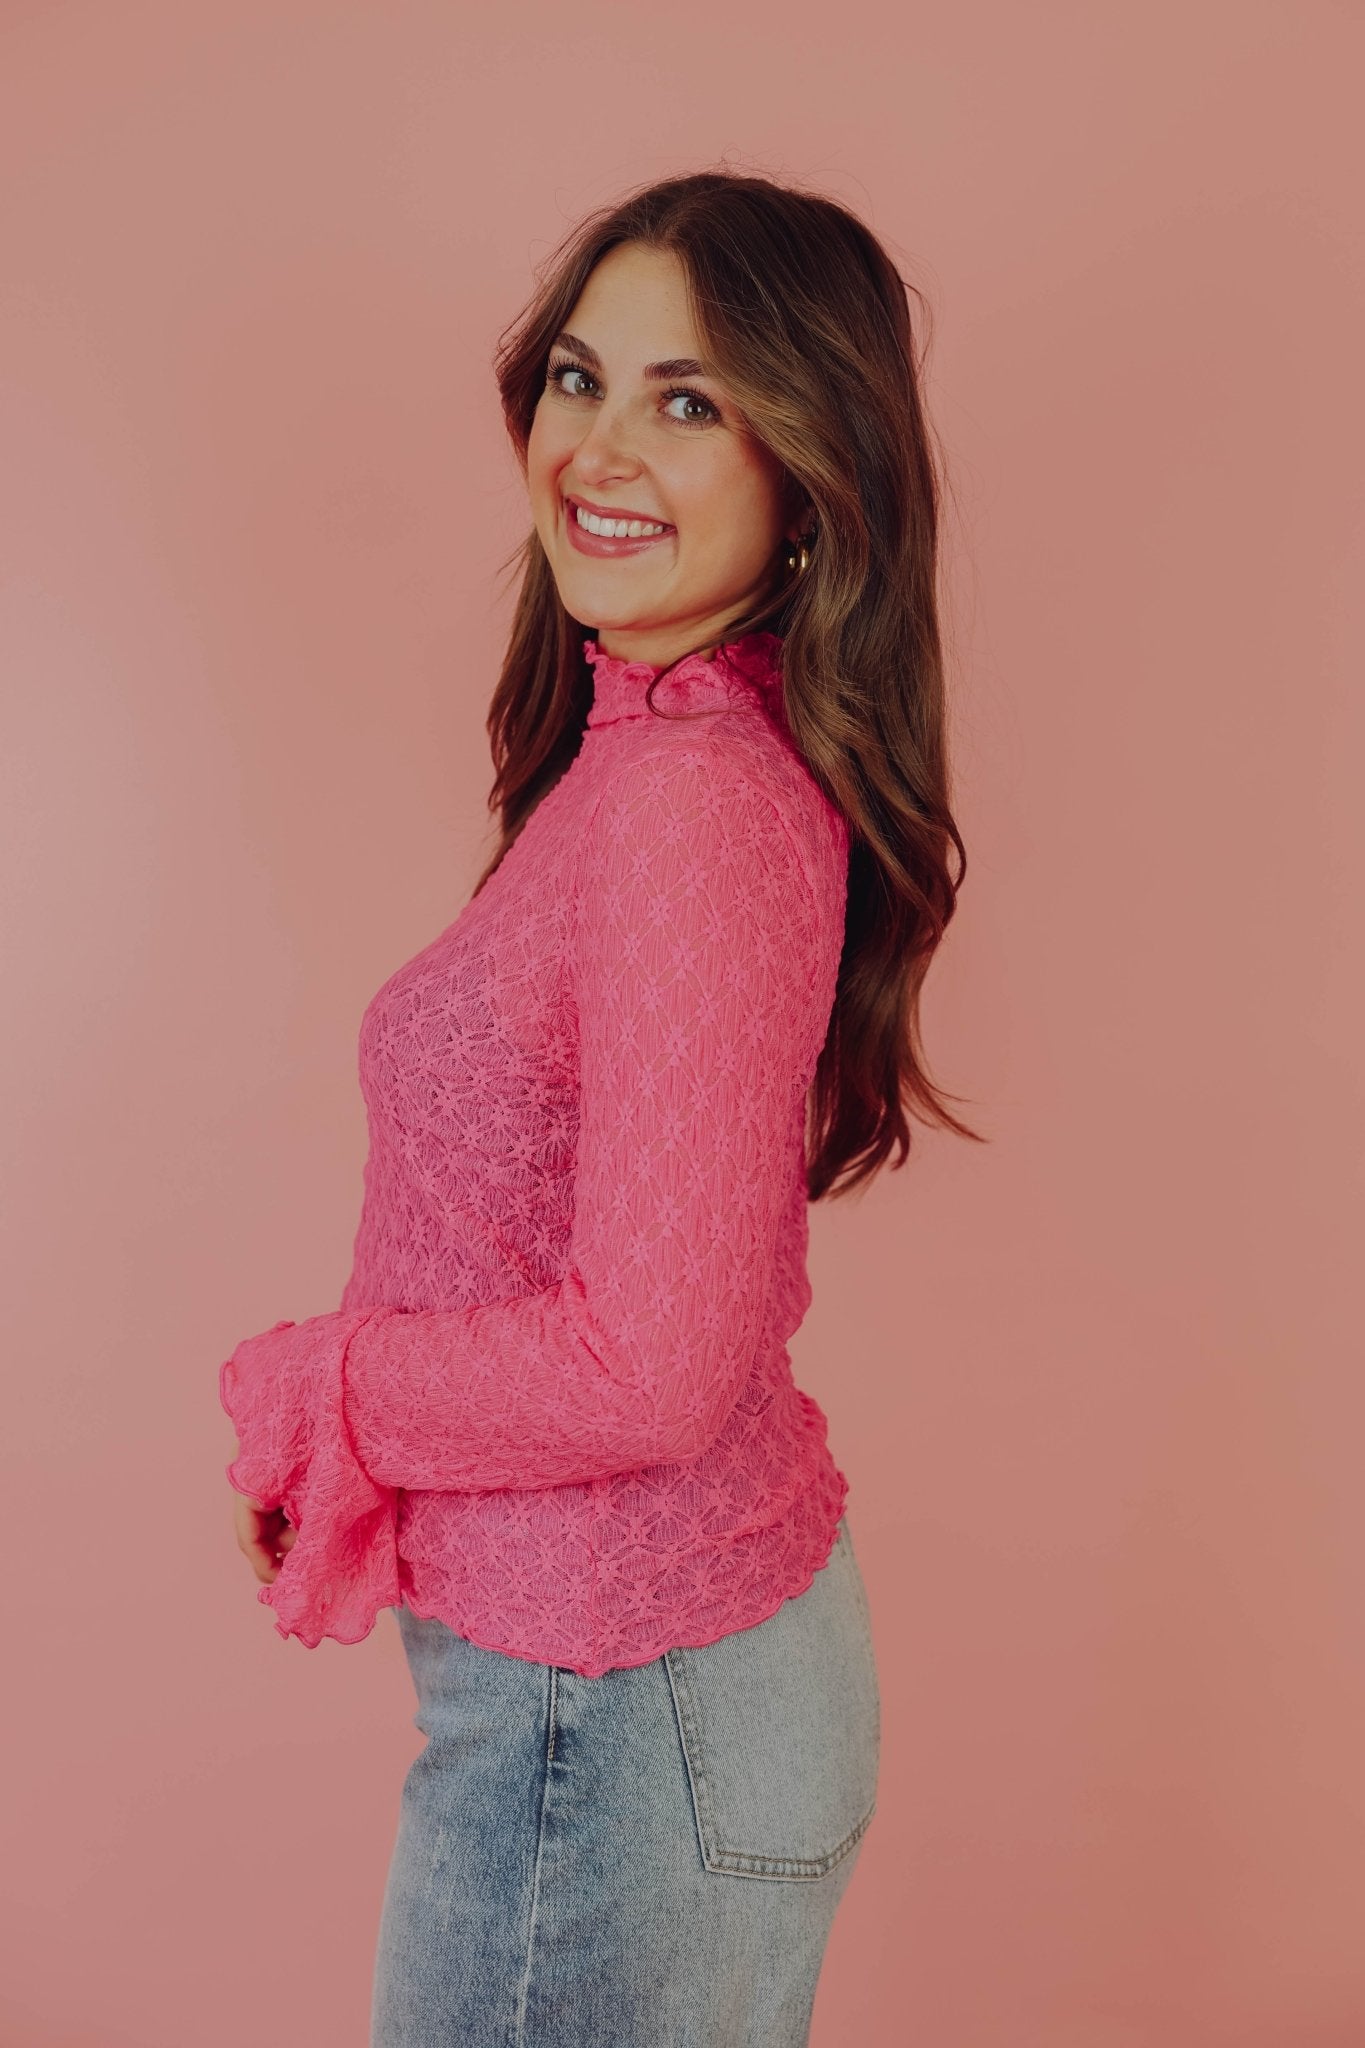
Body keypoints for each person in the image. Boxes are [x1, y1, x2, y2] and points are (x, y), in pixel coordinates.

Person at [219, 167, 979, 2048]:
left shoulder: (688, 807)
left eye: (689, 400)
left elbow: (651, 1369)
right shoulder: (656, 752)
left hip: (617, 1718)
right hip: (640, 1703)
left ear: (813, 475)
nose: (599, 450)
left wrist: (324, 1394)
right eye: (579, 378)